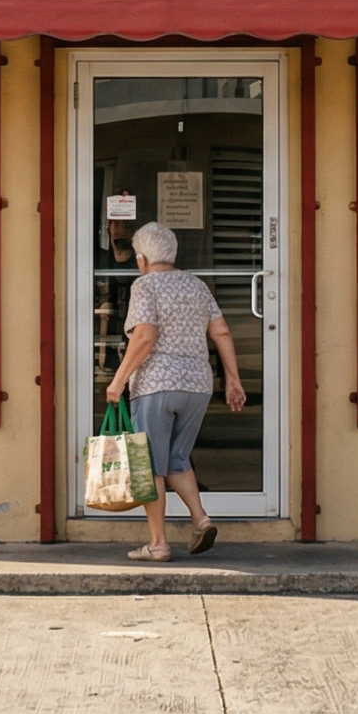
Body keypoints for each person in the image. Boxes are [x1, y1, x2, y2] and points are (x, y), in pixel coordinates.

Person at [104, 219, 247, 560]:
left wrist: (119, 378)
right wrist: (233, 378)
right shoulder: (196, 285)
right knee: (177, 459)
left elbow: (145, 336)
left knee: (150, 464)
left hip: (156, 385)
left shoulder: (145, 286)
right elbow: (222, 332)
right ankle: (201, 520)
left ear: (141, 259)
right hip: (197, 386)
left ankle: (158, 544)